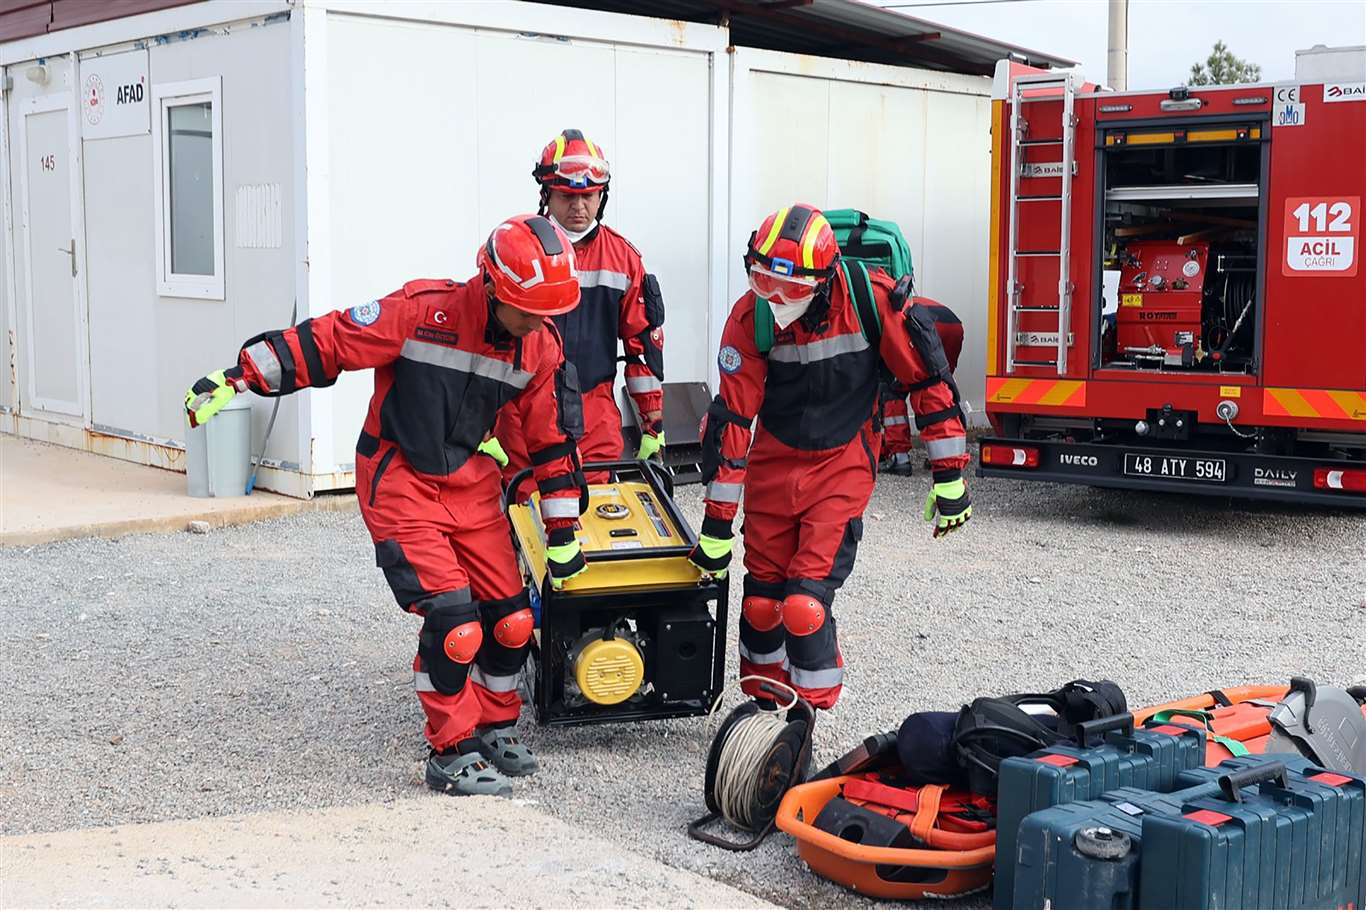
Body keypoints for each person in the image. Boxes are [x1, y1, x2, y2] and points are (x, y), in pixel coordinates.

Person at [184, 215, 589, 797]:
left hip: (470, 477)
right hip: (401, 475)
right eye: (528, 308)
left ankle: (495, 724)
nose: (537, 322)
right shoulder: (425, 313)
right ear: (494, 285)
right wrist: (242, 375)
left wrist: (563, 531)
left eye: (547, 312)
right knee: (456, 624)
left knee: (512, 618)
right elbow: (333, 340)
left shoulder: (540, 343)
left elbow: (551, 438)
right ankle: (450, 748)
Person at [688, 203, 972, 711]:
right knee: (761, 606)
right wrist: (714, 530)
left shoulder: (870, 299)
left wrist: (949, 477)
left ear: (823, 280)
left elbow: (927, 380)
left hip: (842, 462)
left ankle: (809, 713)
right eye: (761, 281)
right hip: (774, 464)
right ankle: (761, 711)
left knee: (803, 607)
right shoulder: (749, 317)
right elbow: (732, 424)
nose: (774, 300)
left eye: (791, 289)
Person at [493, 130, 665, 499]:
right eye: (567, 196)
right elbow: (482, 341)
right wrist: (481, 427)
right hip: (520, 412)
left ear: (601, 195)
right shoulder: (514, 250)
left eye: (588, 195)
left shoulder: (623, 259)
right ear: (547, 194)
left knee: (594, 518)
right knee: (524, 524)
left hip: (594, 415)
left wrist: (652, 425)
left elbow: (642, 348)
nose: (579, 206)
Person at [879, 300, 964, 476]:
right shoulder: (892, 298)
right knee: (941, 386)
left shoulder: (874, 313)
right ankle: (947, 455)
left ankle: (899, 457)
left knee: (893, 391)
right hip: (952, 324)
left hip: (922, 324)